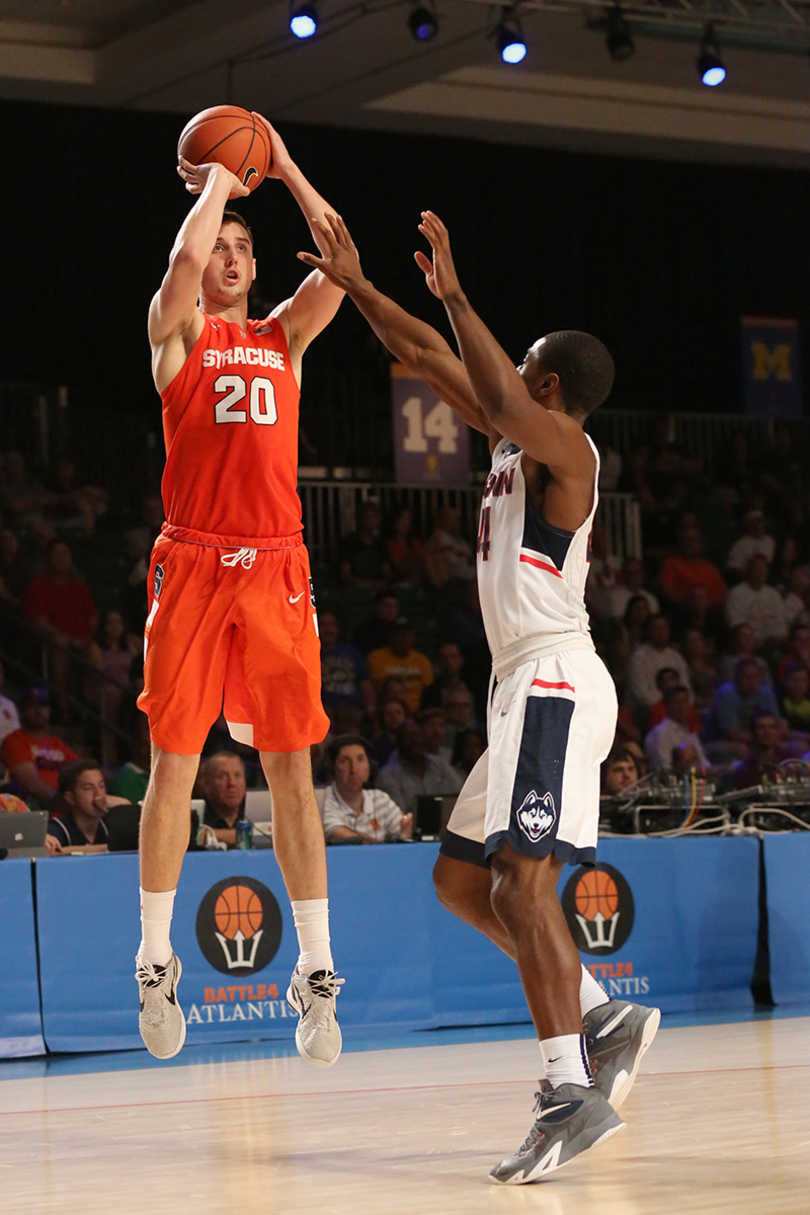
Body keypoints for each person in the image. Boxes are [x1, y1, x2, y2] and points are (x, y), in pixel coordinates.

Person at [299, 210, 659, 1179]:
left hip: (552, 675)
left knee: (521, 881)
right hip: (518, 688)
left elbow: (492, 385)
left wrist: (457, 294)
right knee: (462, 881)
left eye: (528, 368)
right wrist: (360, 285)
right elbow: (418, 352)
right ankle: (599, 1014)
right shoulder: (511, 445)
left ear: (550, 386)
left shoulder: (572, 456)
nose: (514, 377)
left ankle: (567, 1090)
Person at [136, 117, 346, 1066]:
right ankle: (153, 959)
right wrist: (220, 183)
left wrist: (284, 165)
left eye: (241, 247)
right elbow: (180, 273)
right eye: (217, 243)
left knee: (291, 767)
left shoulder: (283, 335)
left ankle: (317, 970)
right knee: (175, 761)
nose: (227, 256)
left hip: (275, 563)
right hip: (192, 559)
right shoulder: (175, 335)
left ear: (256, 265)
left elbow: (341, 265)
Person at [321, 735, 412, 843]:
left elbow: (403, 833)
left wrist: (407, 828)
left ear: (370, 766)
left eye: (360, 759)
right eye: (344, 761)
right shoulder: (322, 800)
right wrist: (380, 848)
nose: (354, 769)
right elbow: (337, 832)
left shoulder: (380, 798)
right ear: (332, 768)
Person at [0, 685, 76, 806]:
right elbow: (32, 785)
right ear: (22, 710)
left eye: (42, 705)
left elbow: (80, 772)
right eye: (31, 705)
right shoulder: (14, 740)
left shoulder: (58, 744)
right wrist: (69, 804)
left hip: (66, 811)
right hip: (38, 811)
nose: (38, 710)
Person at [377, 718, 463, 814]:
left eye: (417, 735)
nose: (415, 740)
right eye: (408, 736)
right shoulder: (388, 775)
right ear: (398, 742)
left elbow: (461, 793)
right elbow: (399, 816)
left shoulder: (440, 764)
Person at [367, 617, 434, 714]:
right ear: (390, 637)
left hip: (416, 714)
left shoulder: (422, 660)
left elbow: (428, 691)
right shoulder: (376, 657)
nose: (404, 638)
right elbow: (378, 690)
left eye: (407, 634)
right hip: (388, 713)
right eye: (399, 634)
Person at [46, 760, 113, 852]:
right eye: (88, 788)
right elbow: (53, 852)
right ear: (70, 798)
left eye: (101, 786)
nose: (98, 795)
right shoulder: (58, 828)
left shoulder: (109, 825)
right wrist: (110, 847)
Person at [725, 553, 787, 649]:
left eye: (764, 567)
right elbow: (735, 626)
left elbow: (781, 626)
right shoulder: (736, 594)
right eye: (757, 567)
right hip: (747, 647)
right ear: (749, 569)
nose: (761, 571)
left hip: (772, 646)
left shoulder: (774, 595)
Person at [644, 685, 709, 773]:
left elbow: (704, 764)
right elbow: (665, 770)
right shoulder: (659, 734)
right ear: (667, 705)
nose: (682, 707)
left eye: (685, 702)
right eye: (677, 702)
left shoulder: (689, 732)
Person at [199, 751, 247, 848]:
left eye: (237, 775)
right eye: (222, 776)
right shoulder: (195, 814)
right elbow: (195, 837)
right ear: (206, 784)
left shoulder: (256, 812)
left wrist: (213, 834)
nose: (232, 783)